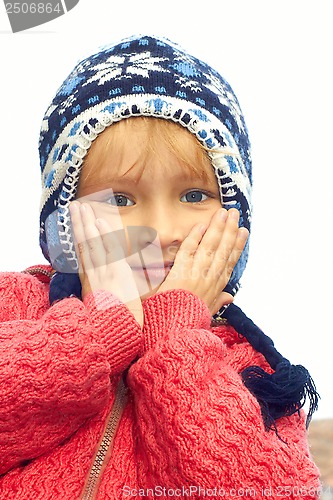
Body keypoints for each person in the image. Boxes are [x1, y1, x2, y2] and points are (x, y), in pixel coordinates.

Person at [0, 34, 321, 499]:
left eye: (194, 195)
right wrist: (104, 330)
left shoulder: (248, 367)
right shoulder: (17, 306)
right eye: (120, 199)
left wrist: (176, 340)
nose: (162, 228)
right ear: (67, 220)